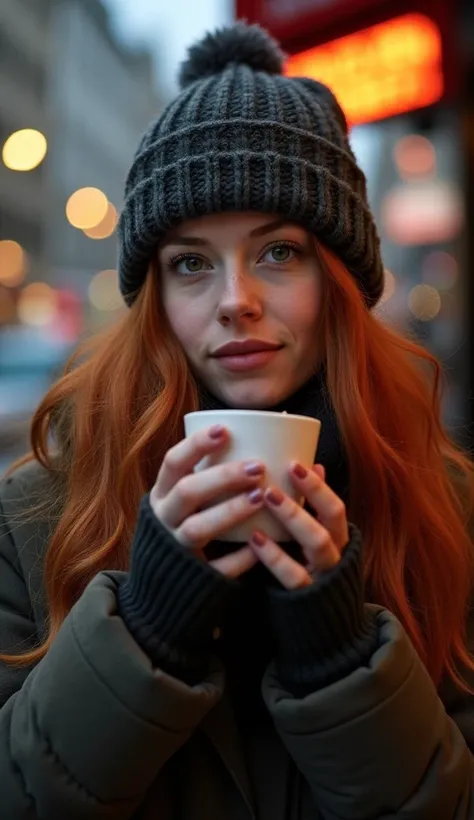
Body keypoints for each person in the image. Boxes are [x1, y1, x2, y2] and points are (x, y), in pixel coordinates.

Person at [1, 20, 474, 820]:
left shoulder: (444, 507)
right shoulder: (40, 513)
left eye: (278, 252)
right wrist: (144, 627)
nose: (234, 301)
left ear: (337, 277)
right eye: (191, 263)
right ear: (153, 297)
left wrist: (342, 662)